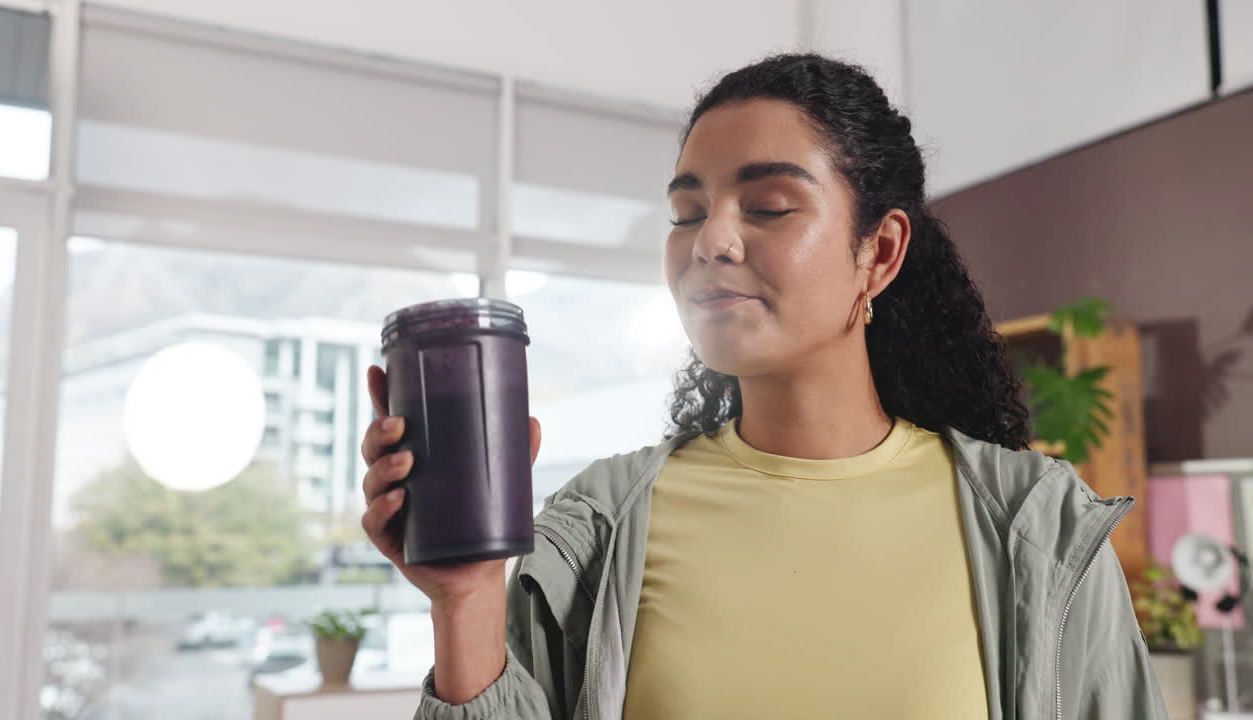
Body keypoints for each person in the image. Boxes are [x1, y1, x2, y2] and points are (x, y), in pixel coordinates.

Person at [358, 53, 1168, 719]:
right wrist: (463, 601)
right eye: (686, 212)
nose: (710, 239)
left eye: (771, 205)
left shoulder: (1039, 530)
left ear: (879, 252)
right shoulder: (600, 529)